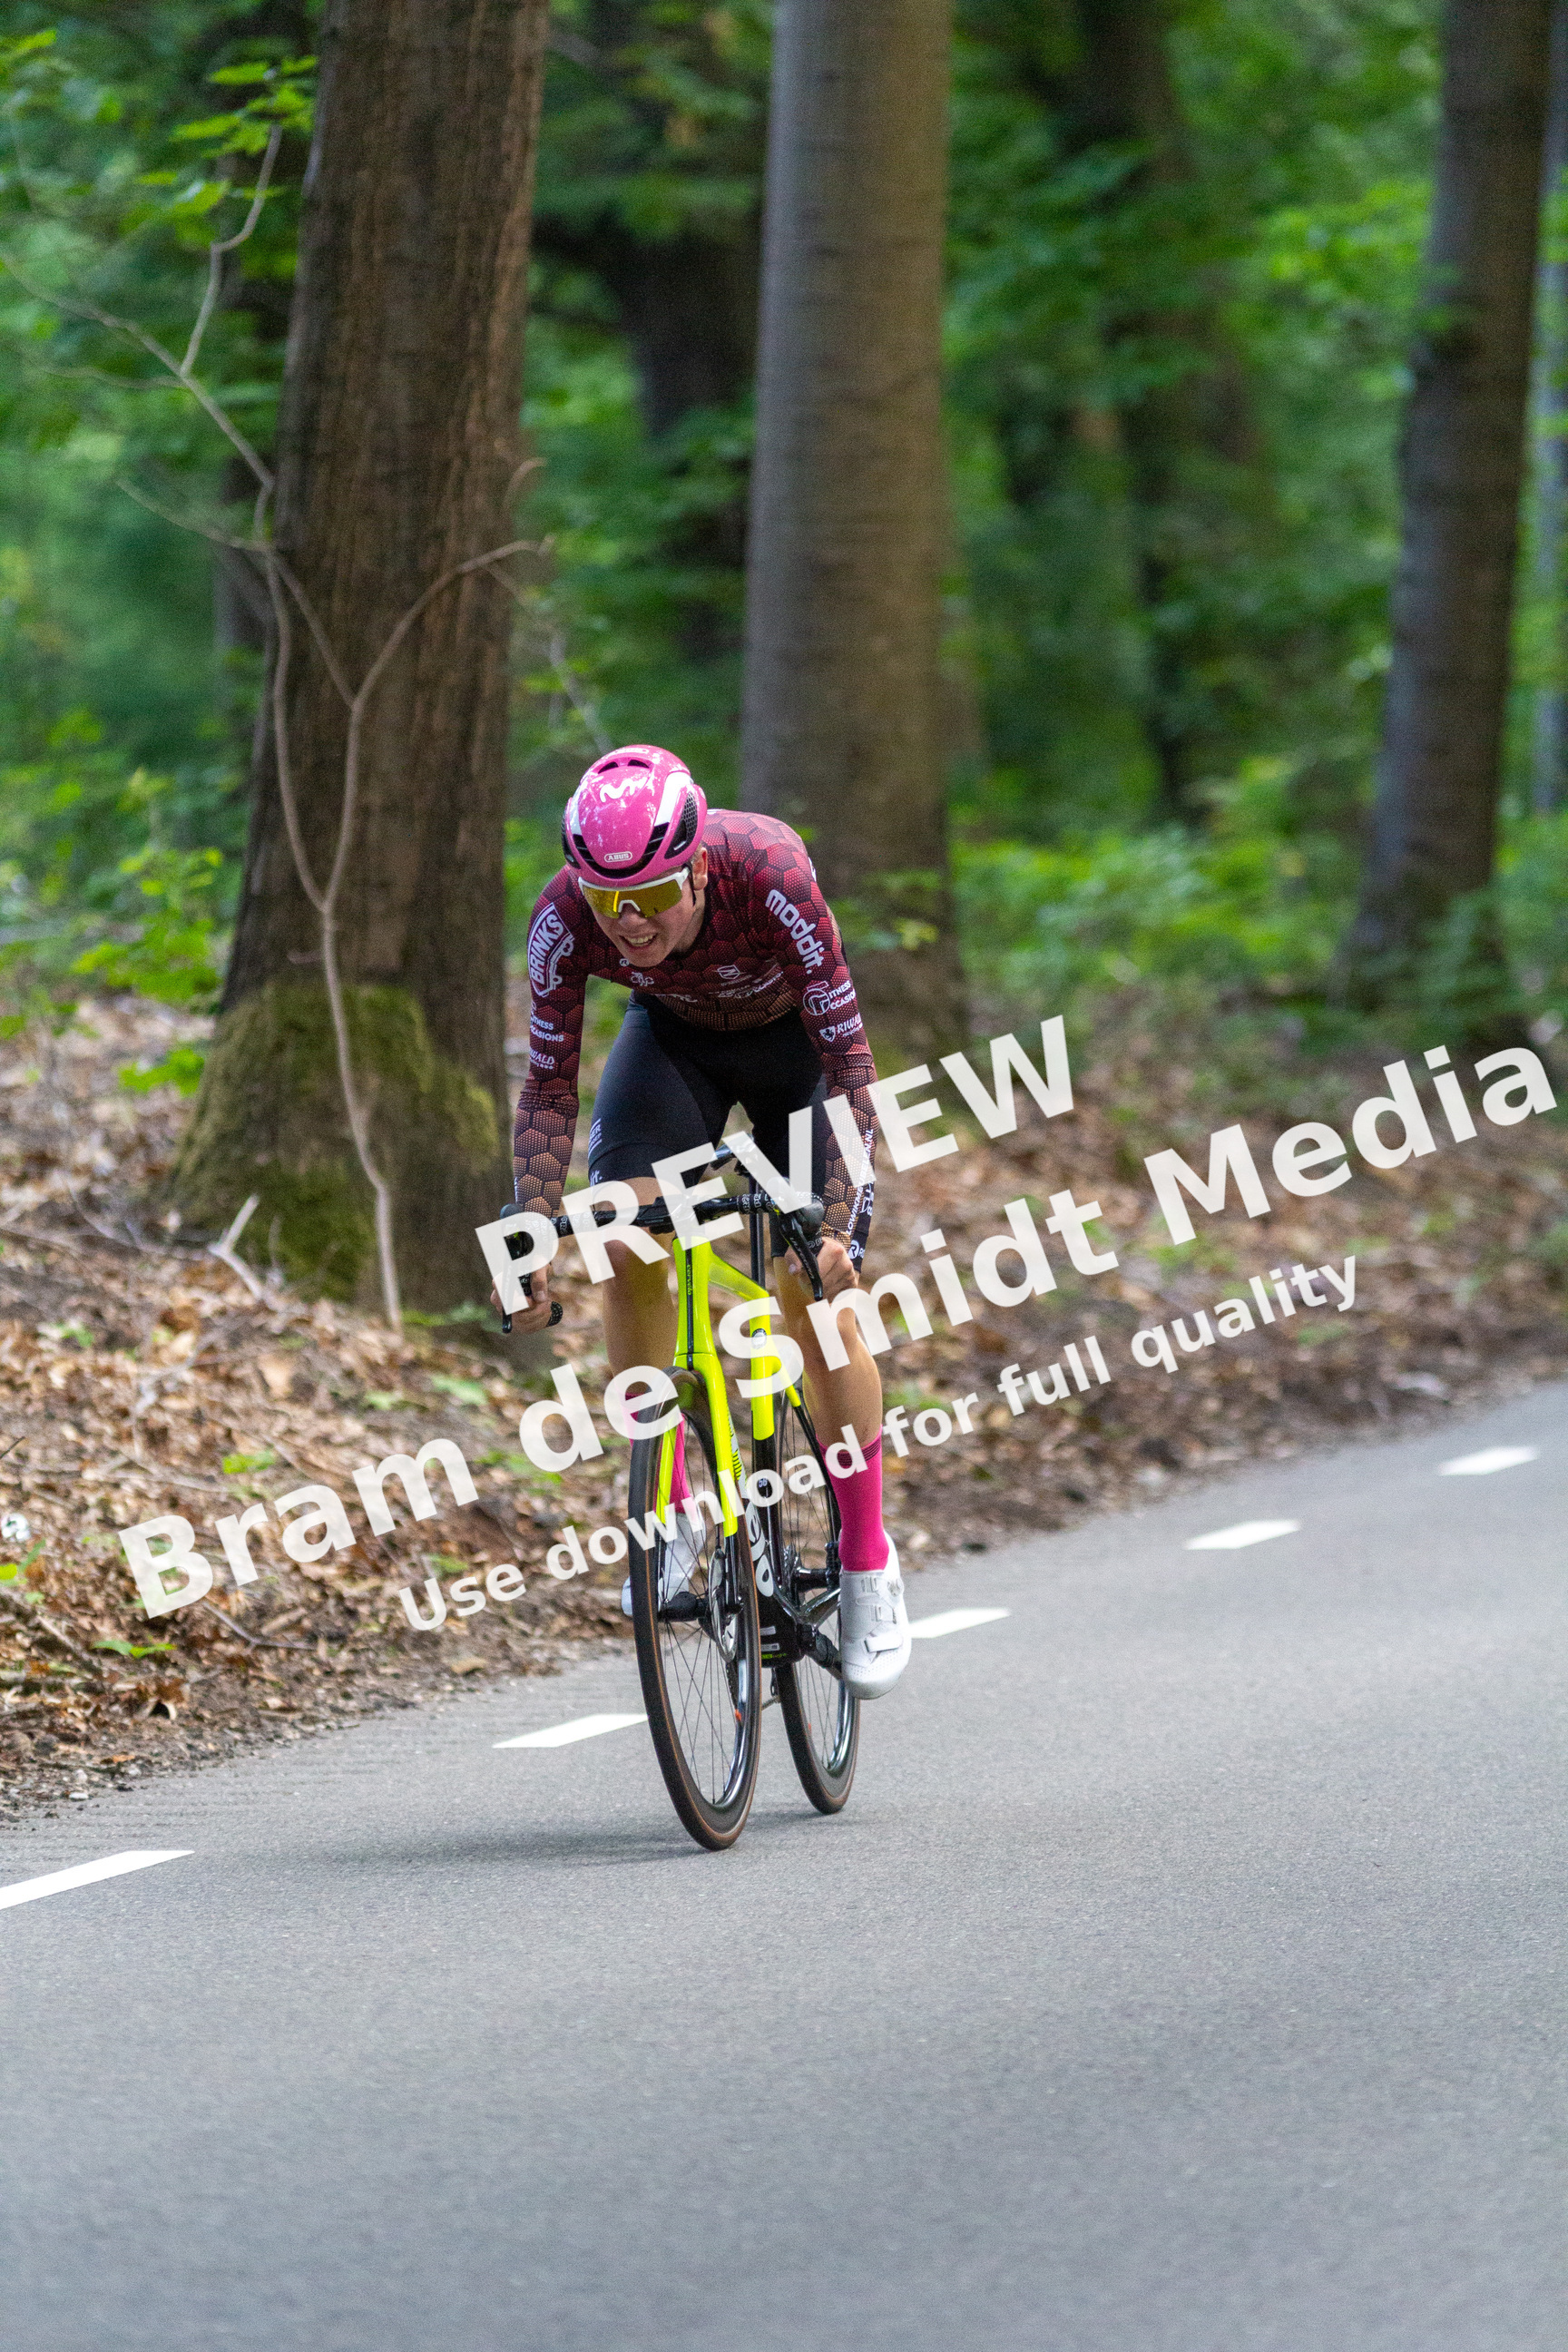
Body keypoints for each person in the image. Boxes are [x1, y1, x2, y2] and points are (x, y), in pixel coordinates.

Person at [508, 743, 910, 1700]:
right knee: (620, 1235)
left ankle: (865, 1558)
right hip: (674, 1052)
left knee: (812, 1293)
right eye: (611, 904)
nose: (631, 921)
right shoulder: (564, 921)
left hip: (795, 1057)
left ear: (695, 867)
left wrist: (846, 1225)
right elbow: (548, 1089)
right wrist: (526, 1229)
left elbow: (849, 1059)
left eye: (650, 895)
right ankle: (672, 1499)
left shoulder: (768, 870)